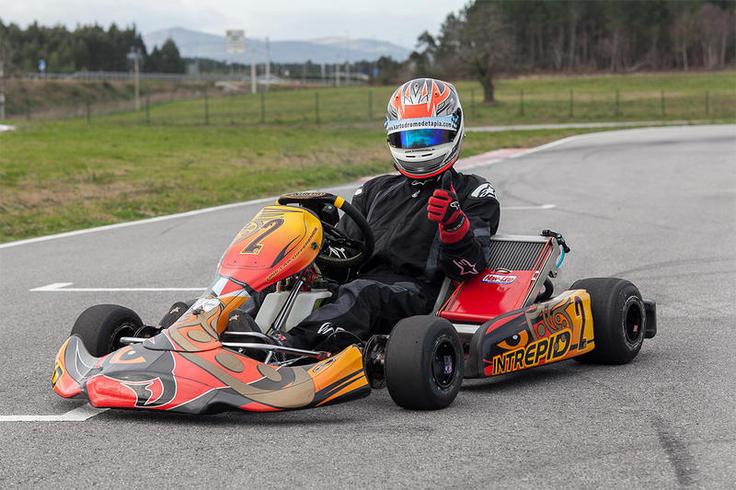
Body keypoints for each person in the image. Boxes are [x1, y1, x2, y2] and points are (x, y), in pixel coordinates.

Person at [283, 78, 500, 351]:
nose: (418, 147)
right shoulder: (375, 189)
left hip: (417, 294)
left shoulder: (472, 191)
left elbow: (470, 268)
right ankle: (229, 328)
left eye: (428, 137)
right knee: (284, 279)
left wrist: (453, 223)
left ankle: (290, 346)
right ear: (394, 138)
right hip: (357, 286)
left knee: (363, 293)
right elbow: (347, 254)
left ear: (452, 132)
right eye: (409, 138)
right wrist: (318, 235)